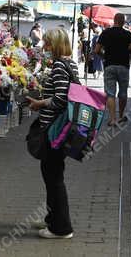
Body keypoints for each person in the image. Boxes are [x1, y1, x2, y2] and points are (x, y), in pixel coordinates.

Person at [27, 28, 79, 239]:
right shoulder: (71, 63)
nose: (45, 48)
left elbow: (61, 99)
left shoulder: (59, 66)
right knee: (53, 175)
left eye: (48, 44)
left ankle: (61, 228)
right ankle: (53, 218)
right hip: (63, 129)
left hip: (55, 131)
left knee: (54, 177)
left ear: (55, 45)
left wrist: (40, 102)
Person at [95, 13, 131, 126]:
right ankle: (120, 116)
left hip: (109, 66)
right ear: (123, 22)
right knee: (123, 93)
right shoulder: (127, 34)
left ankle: (113, 119)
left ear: (114, 21)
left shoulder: (106, 33)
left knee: (110, 94)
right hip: (123, 66)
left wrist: (103, 56)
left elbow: (96, 50)